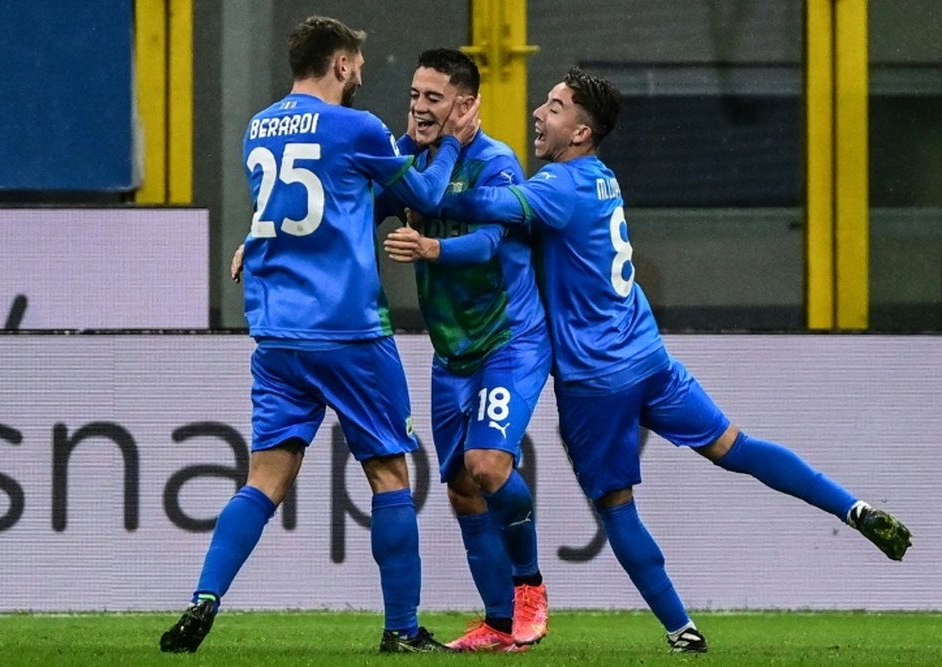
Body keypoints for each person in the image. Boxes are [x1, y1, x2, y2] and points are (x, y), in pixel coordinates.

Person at [437, 67, 913, 653]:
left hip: (596, 380)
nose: (539, 112)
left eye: (554, 107)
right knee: (735, 447)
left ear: (581, 132)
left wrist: (453, 154)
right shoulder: (601, 179)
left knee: (615, 508)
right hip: (649, 356)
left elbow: (476, 203)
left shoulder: (558, 186)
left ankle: (681, 630)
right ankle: (854, 508)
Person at [160, 15, 479, 655]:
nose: (361, 74)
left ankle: (204, 597)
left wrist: (251, 241)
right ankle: (402, 629)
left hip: (276, 333)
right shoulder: (355, 127)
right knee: (389, 473)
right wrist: (448, 140)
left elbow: (298, 208)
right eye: (357, 64)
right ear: (338, 64)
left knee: (264, 478)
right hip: (348, 331)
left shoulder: (260, 126)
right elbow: (423, 191)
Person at [379, 48, 551, 652]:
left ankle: (529, 585)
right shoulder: (408, 159)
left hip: (509, 340)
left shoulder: (496, 160)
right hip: (450, 352)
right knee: (458, 485)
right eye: (415, 95)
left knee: (488, 466)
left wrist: (431, 251)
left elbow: (486, 245)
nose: (420, 108)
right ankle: (501, 624)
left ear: (466, 103)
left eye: (434, 97)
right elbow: (347, 209)